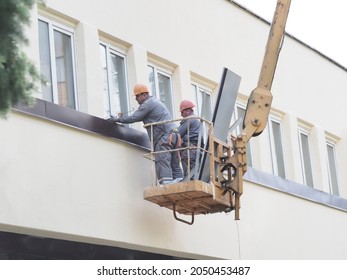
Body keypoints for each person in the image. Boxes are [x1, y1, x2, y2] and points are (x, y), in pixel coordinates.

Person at [108, 83, 183, 185]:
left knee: (162, 159)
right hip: (174, 135)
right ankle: (179, 181)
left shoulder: (147, 104)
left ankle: (166, 186)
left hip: (164, 136)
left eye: (137, 96)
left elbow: (134, 118)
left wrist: (117, 119)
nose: (136, 99)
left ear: (143, 94)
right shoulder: (155, 101)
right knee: (174, 162)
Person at [177, 100, 201, 179]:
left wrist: (171, 130)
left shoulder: (189, 119)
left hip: (189, 150)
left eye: (182, 112)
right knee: (194, 173)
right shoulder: (196, 120)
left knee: (189, 176)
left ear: (188, 111)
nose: (181, 114)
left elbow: (179, 132)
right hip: (195, 149)